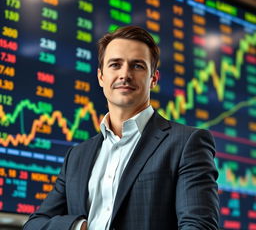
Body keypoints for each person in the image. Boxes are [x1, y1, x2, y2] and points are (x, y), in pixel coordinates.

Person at [23, 26, 219, 230]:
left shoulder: (187, 143)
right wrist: (77, 227)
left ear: (153, 78)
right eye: (115, 65)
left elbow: (198, 226)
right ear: (101, 77)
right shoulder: (76, 156)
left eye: (138, 66)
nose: (125, 74)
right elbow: (34, 225)